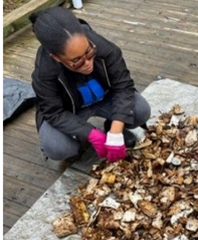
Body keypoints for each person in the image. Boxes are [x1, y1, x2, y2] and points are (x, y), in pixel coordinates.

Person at [29, 7, 151, 162]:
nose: (87, 63)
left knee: (141, 110)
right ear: (57, 57)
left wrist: (116, 130)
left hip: (106, 99)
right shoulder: (44, 73)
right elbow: (54, 113)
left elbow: (123, 87)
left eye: (89, 52)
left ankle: (110, 126)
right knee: (56, 147)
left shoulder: (106, 49)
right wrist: (91, 134)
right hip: (70, 111)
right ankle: (78, 142)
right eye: (77, 60)